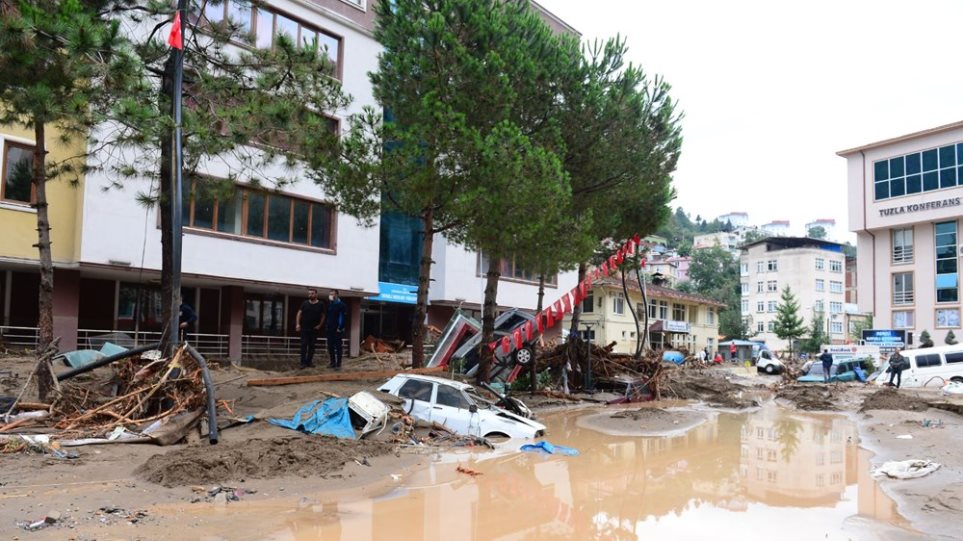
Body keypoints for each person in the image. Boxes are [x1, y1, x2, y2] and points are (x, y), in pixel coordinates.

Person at [296, 288, 324, 368]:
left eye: (312, 293)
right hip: (304, 329)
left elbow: (323, 316)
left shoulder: (321, 304)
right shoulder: (305, 303)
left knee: (312, 346)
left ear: (316, 294)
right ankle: (302, 363)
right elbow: (299, 313)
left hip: (314, 329)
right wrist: (298, 324)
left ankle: (309, 362)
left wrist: (319, 325)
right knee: (303, 345)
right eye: (309, 294)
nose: (310, 295)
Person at [325, 290, 347, 370]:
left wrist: (340, 327)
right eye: (330, 294)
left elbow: (342, 317)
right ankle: (332, 362)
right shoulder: (330, 304)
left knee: (338, 347)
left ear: (336, 295)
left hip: (337, 329)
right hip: (329, 329)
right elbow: (328, 316)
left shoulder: (341, 305)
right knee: (330, 346)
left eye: (332, 294)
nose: (330, 295)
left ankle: (338, 364)